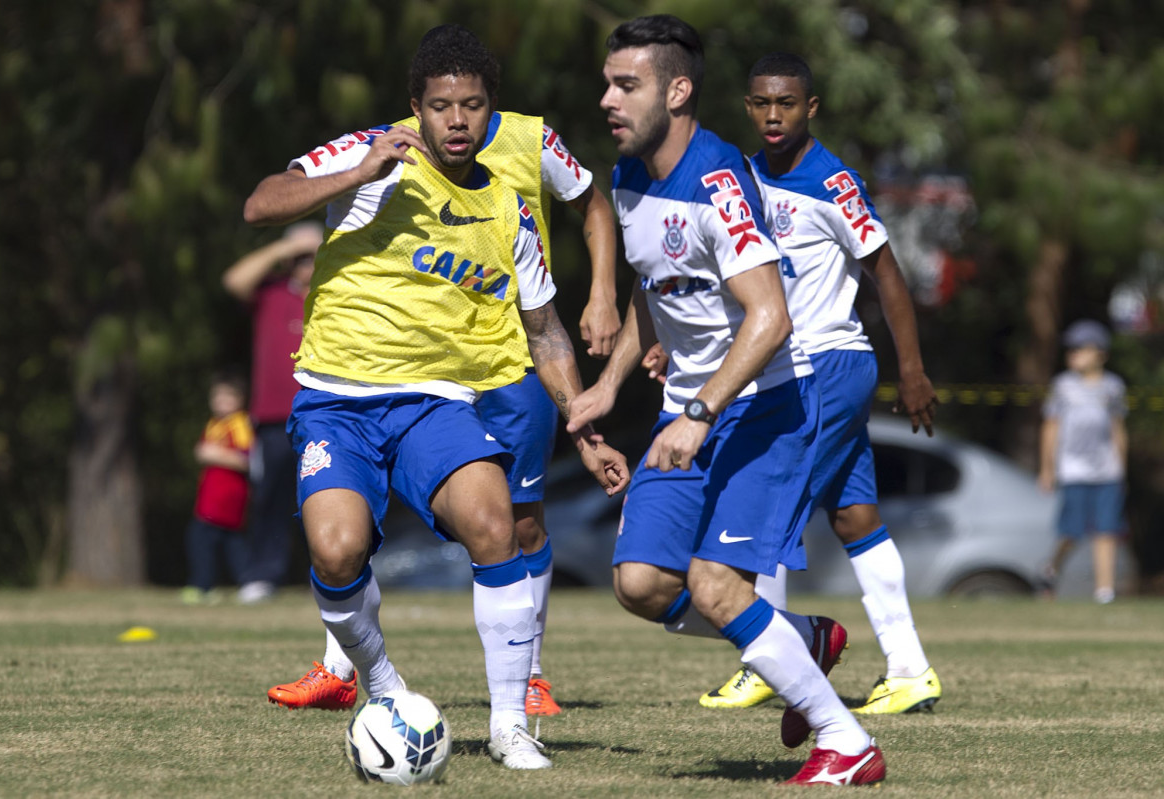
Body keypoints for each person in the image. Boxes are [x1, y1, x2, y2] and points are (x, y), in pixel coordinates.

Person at [242, 24, 629, 771]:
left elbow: (545, 331)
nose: (458, 120)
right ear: (414, 107)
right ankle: (383, 686)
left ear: (492, 111)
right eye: (442, 105)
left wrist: (586, 429)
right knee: (336, 546)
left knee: (496, 522)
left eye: (474, 105)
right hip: (337, 400)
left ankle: (512, 725)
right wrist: (355, 174)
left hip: (434, 404)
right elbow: (262, 204)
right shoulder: (371, 158)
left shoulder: (510, 209)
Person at [567, 15, 885, 786]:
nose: (608, 98)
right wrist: (607, 388)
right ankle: (800, 639)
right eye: (608, 82)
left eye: (627, 85)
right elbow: (656, 278)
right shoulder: (630, 175)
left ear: (678, 92)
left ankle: (847, 741)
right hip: (689, 407)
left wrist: (700, 411)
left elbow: (770, 319)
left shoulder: (719, 182)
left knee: (715, 586)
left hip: (766, 408)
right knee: (641, 585)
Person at [684, 52, 942, 716]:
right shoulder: (741, 176)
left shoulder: (833, 182)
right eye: (762, 103)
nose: (774, 115)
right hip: (790, 370)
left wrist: (912, 371)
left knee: (763, 499)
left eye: (788, 103)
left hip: (826, 364)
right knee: (856, 516)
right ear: (748, 106)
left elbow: (888, 275)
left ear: (811, 107)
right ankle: (911, 668)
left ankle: (768, 658)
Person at [222, 221, 323, 604]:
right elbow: (234, 280)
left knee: (327, 495)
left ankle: (332, 576)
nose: (305, 264)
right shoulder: (271, 293)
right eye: (298, 258)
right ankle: (262, 574)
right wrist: (284, 249)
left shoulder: (336, 295)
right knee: (269, 499)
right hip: (271, 417)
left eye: (311, 256)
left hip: (324, 414)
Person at [1038, 319, 1127, 604]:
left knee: (1106, 530)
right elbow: (1050, 427)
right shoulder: (1062, 386)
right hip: (1073, 470)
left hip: (1106, 471)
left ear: (1099, 353)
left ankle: (1104, 592)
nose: (1073, 353)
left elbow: (1117, 428)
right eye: (1071, 348)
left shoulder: (1113, 387)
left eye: (1080, 348)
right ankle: (1051, 569)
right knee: (1071, 532)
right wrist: (1047, 468)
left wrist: (1121, 466)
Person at [181, 372, 254, 604]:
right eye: (218, 397)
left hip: (227, 497)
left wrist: (215, 454)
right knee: (225, 543)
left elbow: (247, 460)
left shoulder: (240, 424)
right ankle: (245, 582)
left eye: (228, 397)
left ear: (240, 400)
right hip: (210, 497)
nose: (221, 403)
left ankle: (203, 585)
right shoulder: (214, 424)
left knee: (205, 540)